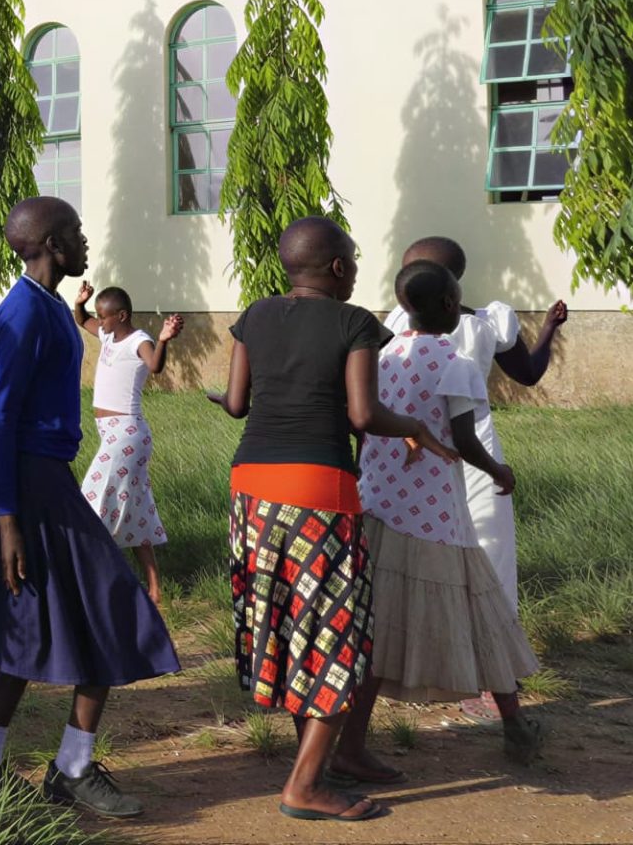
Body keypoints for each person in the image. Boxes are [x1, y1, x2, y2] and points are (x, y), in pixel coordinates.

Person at [210, 216, 457, 823]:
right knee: (338, 633)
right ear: (340, 268)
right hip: (319, 489)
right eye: (353, 257)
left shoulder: (255, 316)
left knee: (294, 626)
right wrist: (417, 427)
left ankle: (315, 760)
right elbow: (364, 414)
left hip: (251, 490)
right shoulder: (355, 323)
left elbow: (237, 404)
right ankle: (304, 785)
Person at [0, 198, 181, 819]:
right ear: (53, 241)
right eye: (76, 232)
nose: (85, 241)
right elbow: (0, 419)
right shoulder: (23, 311)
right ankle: (71, 767)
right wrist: (7, 521)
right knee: (115, 607)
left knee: (28, 625)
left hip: (45, 478)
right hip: (29, 488)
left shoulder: (54, 305)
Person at [340, 260, 544, 777]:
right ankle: (515, 724)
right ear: (452, 307)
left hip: (378, 503)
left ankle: (350, 744)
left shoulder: (382, 354)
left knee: (375, 626)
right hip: (434, 514)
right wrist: (501, 470)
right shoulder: (457, 362)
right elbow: (466, 438)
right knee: (484, 613)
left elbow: (362, 423)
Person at [381, 235, 567, 721]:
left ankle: (416, 664)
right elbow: (528, 373)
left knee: (416, 562)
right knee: (490, 563)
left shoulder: (397, 324)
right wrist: (547, 329)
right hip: (477, 453)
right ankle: (489, 683)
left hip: (411, 455)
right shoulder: (488, 324)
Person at [71, 285, 184, 604]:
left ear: (121, 316)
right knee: (134, 512)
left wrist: (163, 339)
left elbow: (155, 366)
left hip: (127, 435)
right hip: (114, 434)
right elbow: (82, 320)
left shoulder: (140, 341)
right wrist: (79, 303)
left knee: (90, 504)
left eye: (104, 316)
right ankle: (154, 588)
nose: (100, 322)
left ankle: (98, 583)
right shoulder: (108, 336)